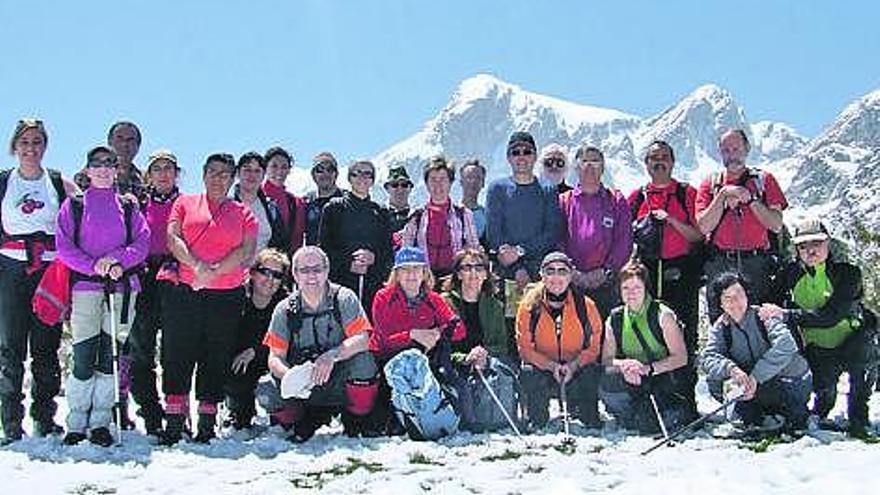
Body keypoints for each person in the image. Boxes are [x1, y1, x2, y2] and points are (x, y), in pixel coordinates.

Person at [160, 153, 258, 445]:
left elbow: (246, 250)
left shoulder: (244, 213)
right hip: (184, 292)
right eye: (213, 172)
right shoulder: (184, 203)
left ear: (232, 179)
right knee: (177, 352)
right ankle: (175, 420)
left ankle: (206, 420)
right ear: (203, 175)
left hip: (226, 295)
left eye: (225, 174)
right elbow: (173, 238)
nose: (218, 178)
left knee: (215, 354)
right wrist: (196, 266)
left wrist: (213, 272)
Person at [56, 145, 150, 446]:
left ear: (116, 169)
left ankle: (100, 420)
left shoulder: (129, 206)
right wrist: (95, 265)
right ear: (87, 169)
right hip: (86, 287)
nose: (103, 169)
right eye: (96, 164)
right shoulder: (75, 205)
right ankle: (77, 419)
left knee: (111, 354)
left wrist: (117, 260)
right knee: (83, 352)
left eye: (109, 163)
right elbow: (64, 246)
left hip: (121, 288)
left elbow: (142, 242)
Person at [0, 119, 78, 444]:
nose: (31, 148)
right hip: (11, 271)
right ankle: (10, 424)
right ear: (15, 146)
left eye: (37, 142)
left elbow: (90, 206)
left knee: (46, 349)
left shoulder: (59, 182)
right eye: (25, 142)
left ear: (45, 146)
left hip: (49, 273)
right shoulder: (4, 182)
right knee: (10, 350)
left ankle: (44, 419)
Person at [764, 218, 873, 437]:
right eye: (803, 246)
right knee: (825, 393)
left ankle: (859, 419)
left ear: (828, 243)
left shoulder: (848, 273)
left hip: (853, 339)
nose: (810, 250)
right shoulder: (790, 274)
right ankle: (821, 410)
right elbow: (770, 302)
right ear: (796, 249)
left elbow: (831, 315)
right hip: (817, 346)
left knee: (861, 370)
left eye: (816, 243)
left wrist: (787, 315)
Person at [261, 246, 379, 442]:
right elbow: (275, 357)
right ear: (295, 275)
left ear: (327, 270)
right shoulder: (284, 309)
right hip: (305, 387)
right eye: (304, 270)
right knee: (267, 389)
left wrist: (332, 355)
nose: (311, 276)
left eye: (317, 269)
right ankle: (298, 422)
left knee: (364, 362)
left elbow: (363, 339)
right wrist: (290, 376)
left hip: (340, 380)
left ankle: (357, 420)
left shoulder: (344, 298)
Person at [627, 140, 703, 406]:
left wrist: (671, 220)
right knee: (646, 334)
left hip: (681, 271)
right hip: (647, 271)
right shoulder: (636, 197)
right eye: (653, 158)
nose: (659, 162)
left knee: (683, 335)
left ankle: (684, 400)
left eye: (664, 157)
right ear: (646, 164)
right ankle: (649, 398)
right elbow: (626, 238)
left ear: (672, 162)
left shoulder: (686, 194)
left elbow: (699, 235)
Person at [370, 247, 466, 434]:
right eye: (405, 269)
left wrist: (437, 332)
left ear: (425, 273)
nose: (411, 274)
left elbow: (459, 329)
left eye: (417, 268)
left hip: (422, 362)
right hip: (387, 360)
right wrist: (413, 334)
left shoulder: (434, 299)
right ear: (396, 274)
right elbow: (383, 340)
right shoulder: (383, 297)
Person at [701, 272, 812, 432]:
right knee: (716, 380)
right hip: (753, 388)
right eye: (727, 298)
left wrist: (755, 377)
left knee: (794, 419)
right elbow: (708, 358)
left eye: (739, 294)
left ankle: (789, 416)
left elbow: (787, 345)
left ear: (747, 295)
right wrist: (732, 370)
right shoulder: (721, 327)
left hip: (786, 383)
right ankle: (753, 417)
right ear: (721, 304)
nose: (735, 302)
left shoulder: (763, 316)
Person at [696, 129, 788, 322]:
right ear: (720, 153)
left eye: (736, 148)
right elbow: (704, 227)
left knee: (759, 320)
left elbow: (776, 224)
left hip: (757, 263)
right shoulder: (710, 184)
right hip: (720, 262)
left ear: (747, 149)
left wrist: (750, 199)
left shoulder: (764, 180)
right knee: (721, 321)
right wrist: (722, 196)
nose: (732, 155)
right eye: (726, 150)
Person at [599, 260, 695, 434]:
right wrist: (625, 366)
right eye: (625, 288)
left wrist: (648, 369)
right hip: (633, 375)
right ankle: (629, 413)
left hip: (662, 375)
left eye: (636, 288)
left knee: (649, 425)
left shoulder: (662, 314)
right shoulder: (615, 318)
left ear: (645, 288)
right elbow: (606, 359)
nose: (631, 293)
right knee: (605, 377)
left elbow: (681, 357)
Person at [516, 252, 603, 430]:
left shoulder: (586, 306)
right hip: (544, 368)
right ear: (542, 275)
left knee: (592, 371)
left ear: (570, 275)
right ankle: (537, 418)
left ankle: (585, 413)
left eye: (562, 271)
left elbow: (594, 347)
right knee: (528, 372)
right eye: (550, 271)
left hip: (575, 367)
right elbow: (525, 349)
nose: (556, 277)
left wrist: (574, 365)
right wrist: (551, 366)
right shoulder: (528, 307)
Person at [127, 149, 181, 436]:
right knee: (141, 349)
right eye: (157, 168)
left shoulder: (187, 204)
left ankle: (177, 411)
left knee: (174, 349)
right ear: (148, 174)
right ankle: (149, 410)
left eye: (168, 168)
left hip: (176, 278)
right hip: (145, 277)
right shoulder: (137, 205)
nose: (163, 174)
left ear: (177, 173)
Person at [559, 144, 632, 318]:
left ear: (603, 168)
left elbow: (624, 241)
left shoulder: (616, 200)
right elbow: (557, 239)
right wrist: (571, 272)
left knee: (606, 336)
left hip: (607, 283)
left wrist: (606, 271)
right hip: (571, 282)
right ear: (576, 167)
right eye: (585, 161)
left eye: (595, 161)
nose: (590, 166)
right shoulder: (564, 201)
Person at [224, 248, 289, 431]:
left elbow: (287, 342)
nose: (270, 279)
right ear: (252, 272)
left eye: (276, 275)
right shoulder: (237, 297)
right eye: (264, 272)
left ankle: (281, 414)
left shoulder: (286, 304)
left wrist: (254, 351)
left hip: (273, 361)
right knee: (234, 371)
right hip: (241, 364)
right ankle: (237, 410)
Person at [319, 160, 393, 316]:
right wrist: (348, 263)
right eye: (356, 173)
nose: (362, 178)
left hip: (372, 286)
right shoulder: (334, 209)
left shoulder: (381, 213)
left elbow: (388, 253)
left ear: (373, 180)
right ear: (349, 178)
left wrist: (374, 258)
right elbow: (324, 251)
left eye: (367, 174)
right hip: (340, 284)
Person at [401, 157, 480, 280]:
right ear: (426, 184)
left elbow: (474, 249)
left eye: (443, 179)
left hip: (454, 280)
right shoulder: (416, 216)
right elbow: (406, 251)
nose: (438, 184)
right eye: (433, 179)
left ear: (450, 182)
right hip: (423, 280)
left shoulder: (464, 215)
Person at [233, 151, 288, 254]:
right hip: (232, 268)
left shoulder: (271, 208)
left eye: (257, 171)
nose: (252, 175)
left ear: (263, 175)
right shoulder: (225, 206)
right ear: (237, 173)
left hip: (262, 267)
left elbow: (280, 244)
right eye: (247, 169)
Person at [261, 146, 307, 255]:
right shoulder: (254, 197)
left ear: (289, 170)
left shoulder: (297, 203)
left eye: (284, 167)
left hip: (286, 264)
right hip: (257, 264)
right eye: (274, 166)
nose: (279, 171)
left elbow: (297, 240)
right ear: (265, 168)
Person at [305, 152, 343, 245]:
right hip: (313, 258)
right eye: (319, 170)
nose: (325, 174)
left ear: (336, 174)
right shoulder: (306, 202)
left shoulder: (347, 201)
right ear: (313, 175)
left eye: (330, 170)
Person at [460, 159, 487, 242]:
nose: (473, 181)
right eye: (469, 177)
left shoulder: (488, 216)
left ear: (483, 183)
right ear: (461, 182)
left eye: (478, 178)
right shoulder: (450, 213)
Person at [383, 165, 413, 234]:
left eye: (404, 185)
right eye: (394, 185)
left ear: (410, 188)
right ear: (387, 188)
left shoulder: (419, 217)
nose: (400, 190)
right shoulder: (379, 216)